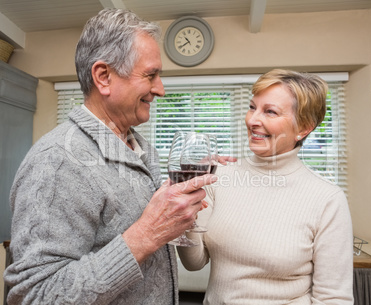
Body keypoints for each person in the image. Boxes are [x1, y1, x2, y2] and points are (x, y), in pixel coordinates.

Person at [3, 8, 217, 305]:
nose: (161, 90)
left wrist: (179, 210)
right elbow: (34, 296)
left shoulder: (143, 148)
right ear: (103, 77)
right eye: (151, 75)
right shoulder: (57, 160)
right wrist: (146, 235)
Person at [178, 69, 354, 304]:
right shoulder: (218, 177)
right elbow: (194, 262)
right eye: (252, 107)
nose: (252, 120)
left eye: (270, 111)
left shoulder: (327, 199)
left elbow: (334, 299)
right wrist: (187, 202)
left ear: (304, 127)